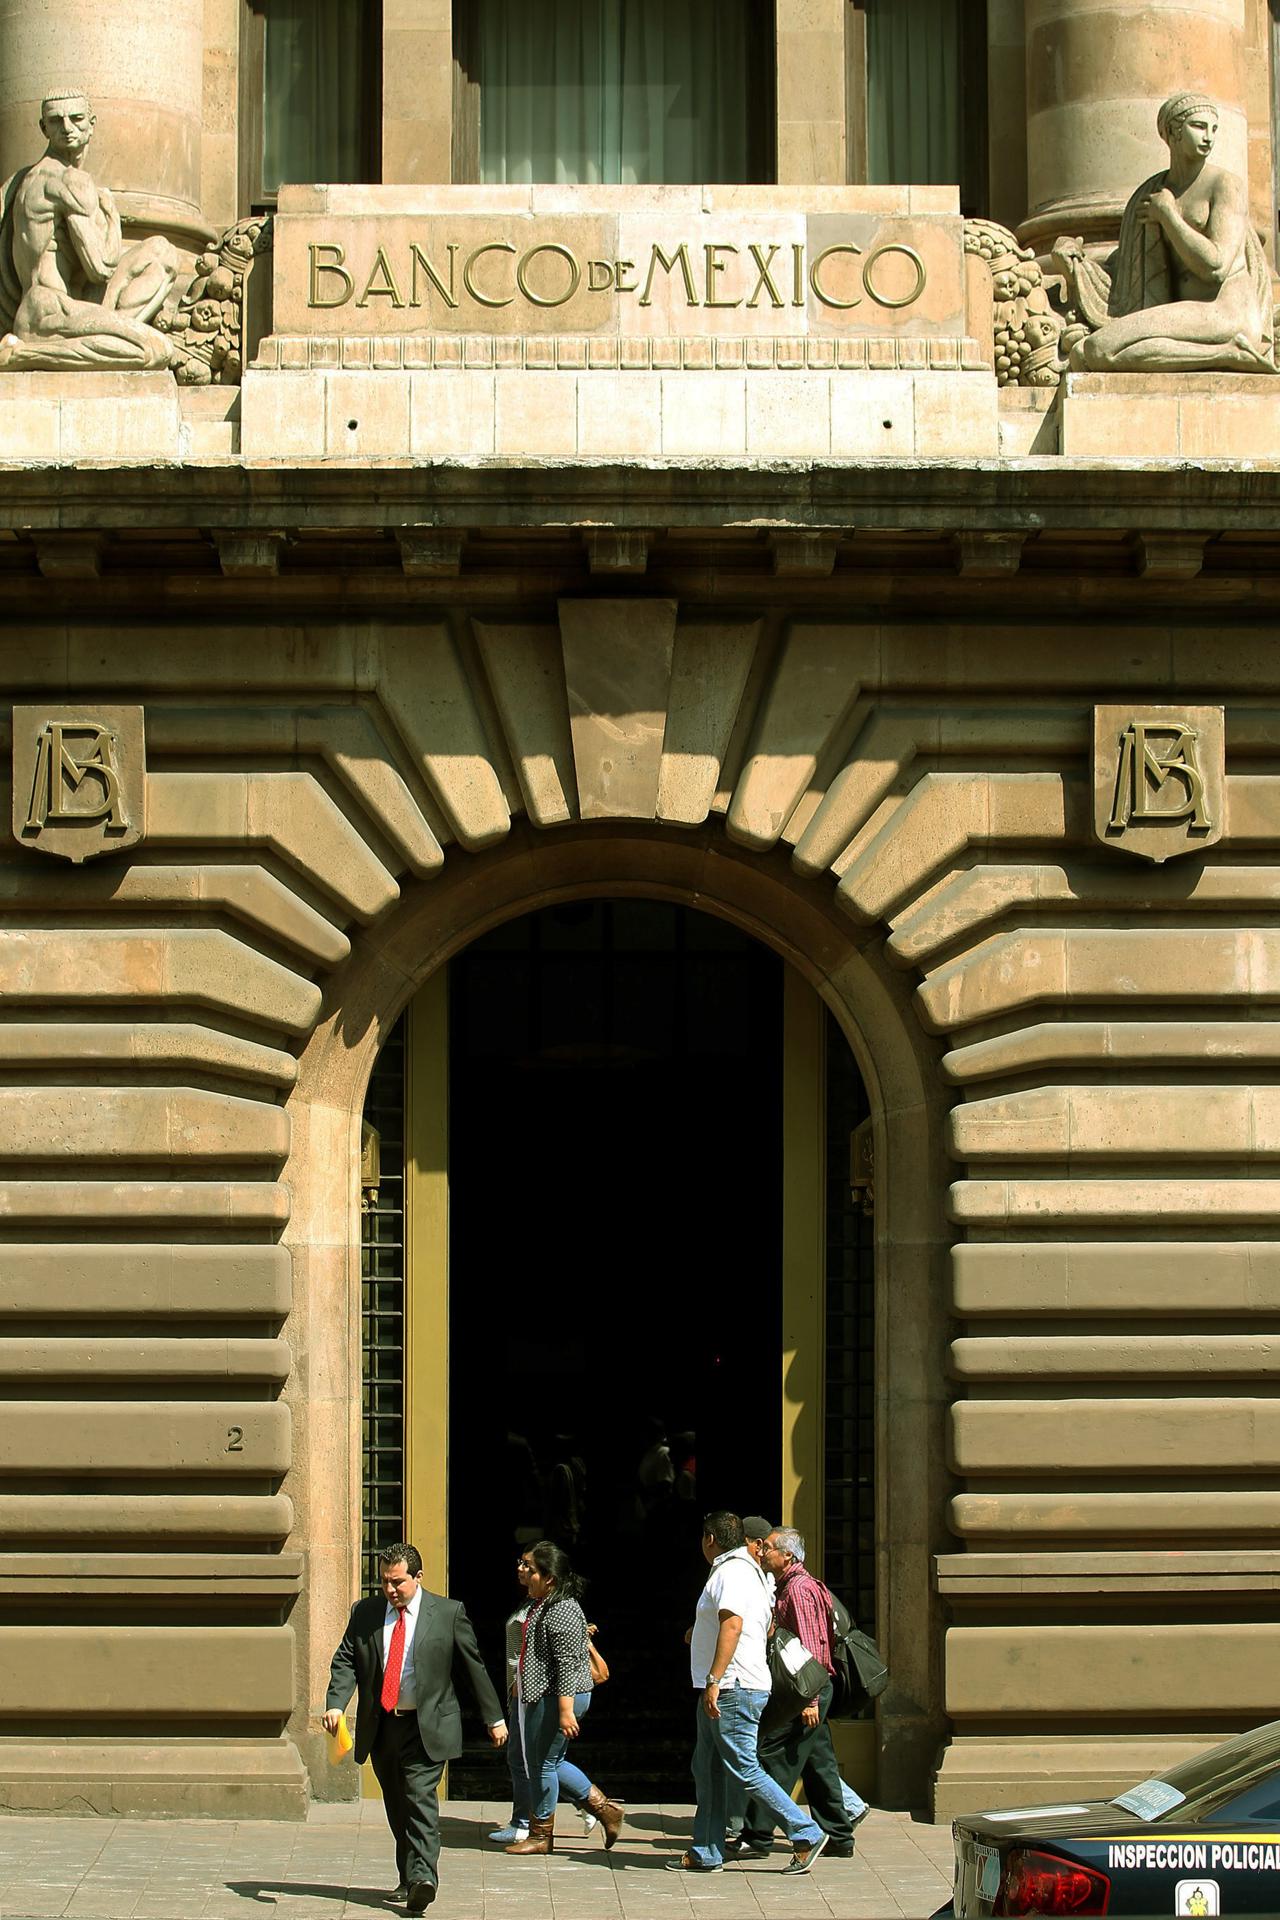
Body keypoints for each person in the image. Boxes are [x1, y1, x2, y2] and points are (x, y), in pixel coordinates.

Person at [322, 1542, 507, 1914]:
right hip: (384, 1727)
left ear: (418, 1577)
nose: (390, 1590)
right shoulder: (366, 1613)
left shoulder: (448, 1613)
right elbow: (346, 1661)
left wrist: (494, 1717)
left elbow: (474, 1667)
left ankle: (424, 1878)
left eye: (398, 1582)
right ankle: (409, 1878)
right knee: (397, 1804)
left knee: (420, 1798)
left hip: (428, 1725)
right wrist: (336, 1704)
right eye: (385, 1583)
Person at [1058, 92, 1274, 374]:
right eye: (1198, 126)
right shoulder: (1151, 192)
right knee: (1090, 353)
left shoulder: (1225, 185)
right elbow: (1132, 268)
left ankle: (1233, 348)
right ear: (1172, 132)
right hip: (1190, 316)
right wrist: (1079, 266)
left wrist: (1169, 215)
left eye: (1213, 128)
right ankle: (1227, 353)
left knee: (1096, 349)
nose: (1208, 137)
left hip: (1228, 311)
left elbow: (1216, 266)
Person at [667, 1511, 829, 1876]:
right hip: (730, 1685)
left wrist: (714, 1679)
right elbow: (762, 1625)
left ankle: (804, 1831)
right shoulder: (750, 1573)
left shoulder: (732, 1572)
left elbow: (734, 1624)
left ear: (710, 1539)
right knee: (707, 1768)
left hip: (732, 1687)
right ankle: (706, 1849)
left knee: (743, 1767)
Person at [0, 91, 179, 371]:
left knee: (162, 253)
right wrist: (110, 214)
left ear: (92, 123)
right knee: (156, 350)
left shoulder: (25, 178)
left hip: (64, 304)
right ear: (43, 128)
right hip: (47, 311)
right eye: (56, 121)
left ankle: (104, 333)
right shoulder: (68, 180)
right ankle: (24, 354)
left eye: (77, 119)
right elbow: (102, 267)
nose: (67, 128)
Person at [733, 1526, 868, 1860]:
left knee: (775, 1756)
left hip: (807, 1690)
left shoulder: (799, 1589)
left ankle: (759, 1835)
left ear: (788, 1555)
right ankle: (839, 1835)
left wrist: (810, 1701)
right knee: (819, 1764)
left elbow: (813, 1647)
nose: (763, 1552)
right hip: (812, 1689)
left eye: (771, 1548)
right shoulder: (789, 1586)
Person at [506, 1539, 623, 1856]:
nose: (522, 1571)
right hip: (544, 1695)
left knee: (542, 1764)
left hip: (558, 1697)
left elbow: (568, 1664)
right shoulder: (542, 1603)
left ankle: (541, 1834)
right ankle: (605, 1810)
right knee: (548, 1762)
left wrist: (565, 1711)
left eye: (530, 1568)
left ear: (550, 1578)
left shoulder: (563, 1609)